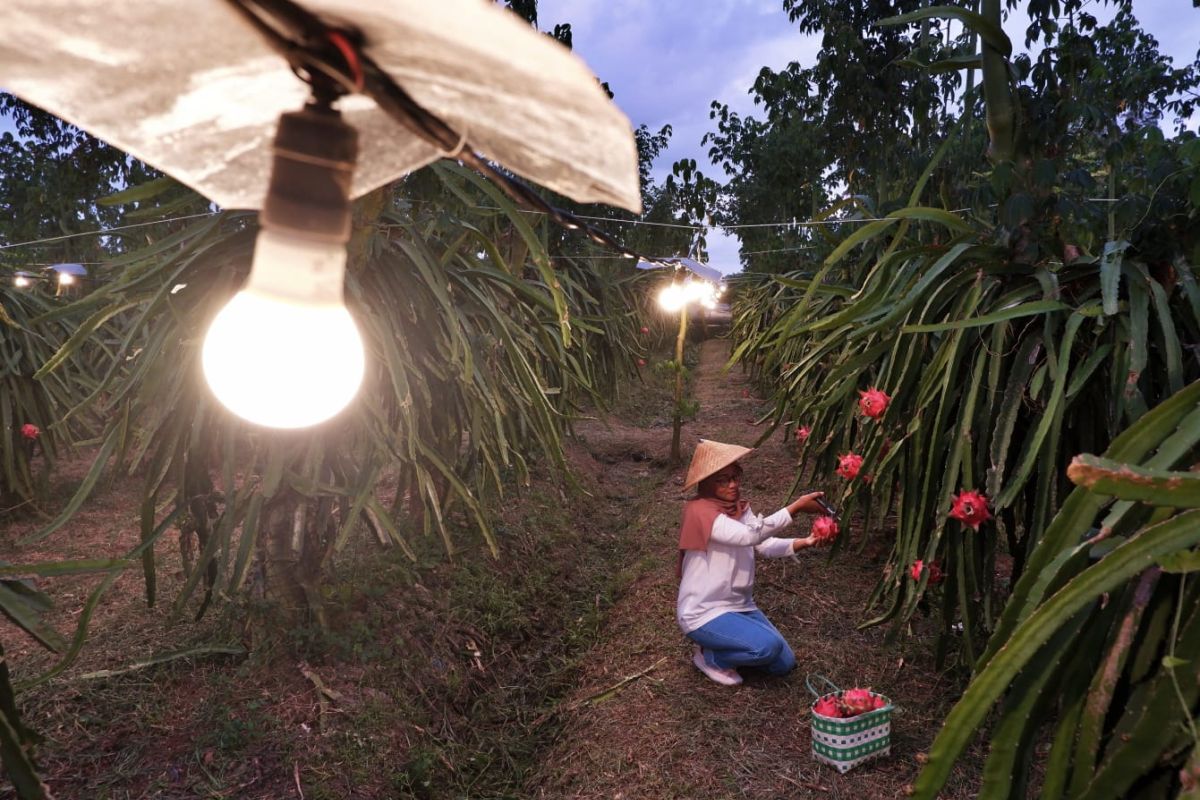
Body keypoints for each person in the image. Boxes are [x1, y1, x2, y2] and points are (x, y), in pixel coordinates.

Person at [676, 439, 828, 686]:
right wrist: (795, 508)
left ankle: (734, 645)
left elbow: (763, 545)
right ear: (706, 483)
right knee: (767, 648)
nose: (733, 485)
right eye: (723, 480)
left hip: (740, 605)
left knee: (784, 664)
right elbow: (748, 536)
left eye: (735, 477)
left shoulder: (737, 508)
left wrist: (806, 541)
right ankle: (711, 656)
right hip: (704, 612)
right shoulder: (700, 511)